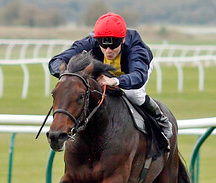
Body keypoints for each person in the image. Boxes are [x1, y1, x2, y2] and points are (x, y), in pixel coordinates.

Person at [47, 12, 172, 146]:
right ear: (97, 40)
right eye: (103, 46)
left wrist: (116, 81)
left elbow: (139, 76)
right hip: (103, 71)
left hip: (133, 72)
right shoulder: (89, 42)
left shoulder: (136, 47)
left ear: (123, 40)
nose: (108, 51)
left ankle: (160, 119)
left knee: (133, 93)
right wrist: (67, 75)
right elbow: (56, 61)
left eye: (113, 46)